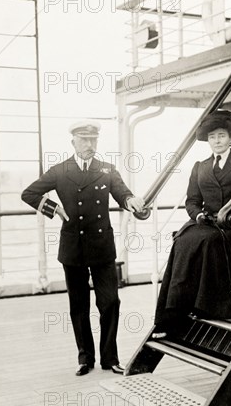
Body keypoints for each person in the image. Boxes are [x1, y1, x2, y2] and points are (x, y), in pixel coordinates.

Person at [21, 120, 145, 377]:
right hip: (73, 248)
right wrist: (53, 208)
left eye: (93, 140)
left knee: (110, 302)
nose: (89, 145)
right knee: (79, 305)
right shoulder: (60, 170)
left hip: (101, 247)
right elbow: (29, 193)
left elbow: (123, 194)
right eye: (84, 140)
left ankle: (110, 358)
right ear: (73, 142)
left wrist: (132, 200)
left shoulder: (108, 170)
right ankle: (84, 358)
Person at [153, 110, 231, 337]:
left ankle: (207, 306)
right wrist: (198, 215)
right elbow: (192, 201)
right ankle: (172, 313)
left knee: (207, 241)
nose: (217, 141)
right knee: (182, 241)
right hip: (206, 223)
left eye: (221, 135)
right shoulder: (200, 166)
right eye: (212, 137)